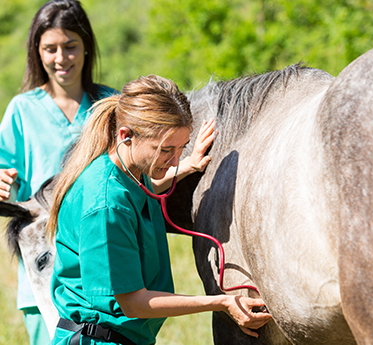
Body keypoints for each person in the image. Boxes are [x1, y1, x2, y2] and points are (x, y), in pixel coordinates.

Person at [46, 74, 272, 345]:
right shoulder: (104, 206)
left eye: (181, 147)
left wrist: (187, 164)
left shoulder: (126, 172)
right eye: (166, 150)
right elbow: (133, 302)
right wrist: (222, 302)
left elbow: (145, 186)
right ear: (125, 135)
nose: (174, 158)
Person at [0, 1, 117, 344]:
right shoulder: (22, 111)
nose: (61, 58)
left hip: (104, 266)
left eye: (70, 46)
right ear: (37, 51)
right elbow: (5, 181)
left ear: (86, 48)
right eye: (50, 48)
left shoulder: (110, 105)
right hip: (44, 273)